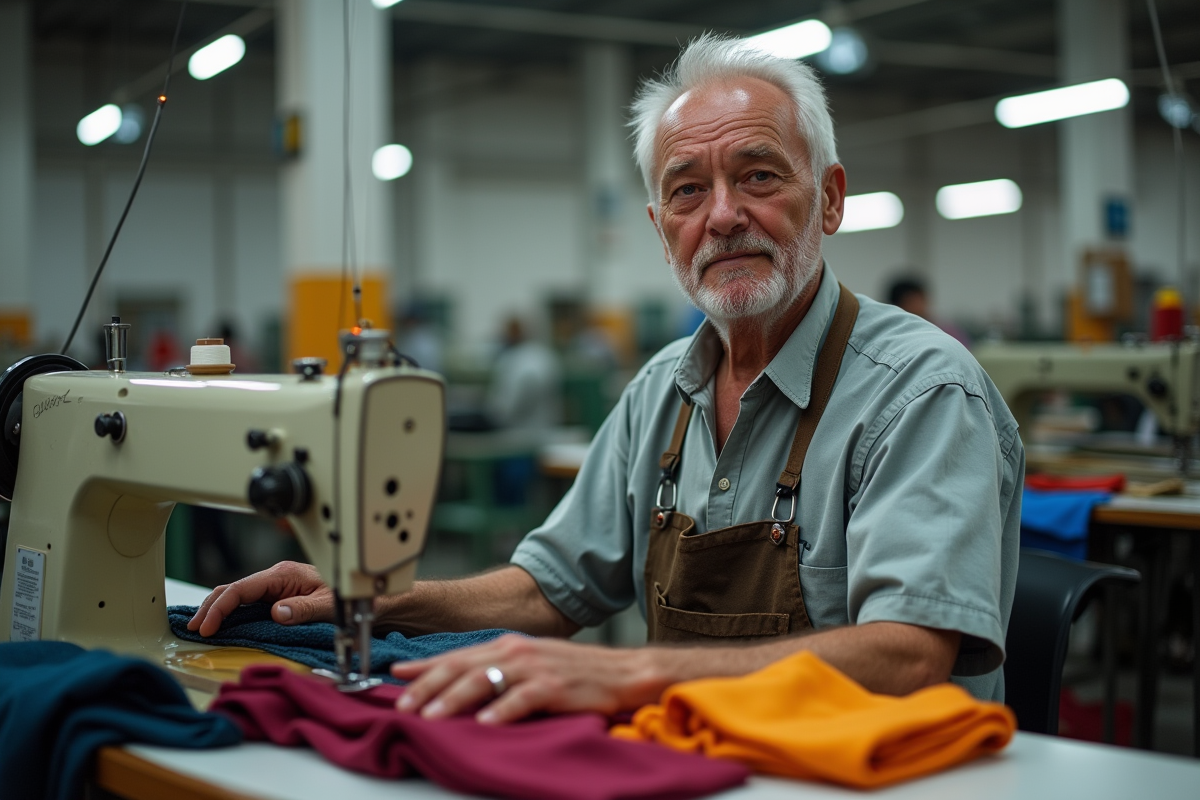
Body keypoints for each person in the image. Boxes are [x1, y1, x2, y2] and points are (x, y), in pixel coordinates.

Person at [189, 34, 1022, 726]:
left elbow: (909, 652)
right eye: (687, 191)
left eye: (759, 175)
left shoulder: (920, 391)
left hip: (872, 772)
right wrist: (370, 599)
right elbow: (549, 590)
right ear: (663, 233)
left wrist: (627, 677)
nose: (722, 215)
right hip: (710, 758)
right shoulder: (663, 391)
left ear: (830, 199)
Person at [886, 274, 972, 348]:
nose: (919, 306)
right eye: (911, 302)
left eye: (921, 300)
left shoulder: (948, 331)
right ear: (897, 305)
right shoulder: (893, 335)